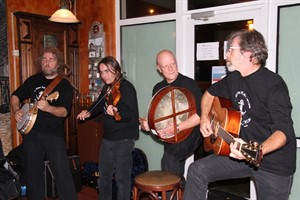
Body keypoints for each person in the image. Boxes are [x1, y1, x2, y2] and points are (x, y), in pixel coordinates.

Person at [183, 29, 296, 200]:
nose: (226, 54)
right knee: (197, 170)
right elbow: (209, 94)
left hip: (274, 164)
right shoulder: (234, 79)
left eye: (230, 49)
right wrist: (205, 118)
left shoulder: (273, 85)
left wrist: (257, 151)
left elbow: (284, 131)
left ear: (248, 53)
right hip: (241, 152)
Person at [10, 47, 78, 200]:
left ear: (57, 64)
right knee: (33, 175)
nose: (47, 63)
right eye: (44, 59)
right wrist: (16, 110)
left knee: (62, 174)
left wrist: (49, 108)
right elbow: (15, 95)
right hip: (31, 134)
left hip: (53, 135)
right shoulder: (33, 80)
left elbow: (64, 112)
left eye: (51, 59)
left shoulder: (64, 86)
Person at [77, 56, 139, 200]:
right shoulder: (107, 88)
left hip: (123, 139)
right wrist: (88, 112)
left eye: (106, 71)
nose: (104, 75)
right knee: (103, 178)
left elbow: (130, 113)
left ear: (116, 69)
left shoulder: (127, 87)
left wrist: (117, 112)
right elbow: (99, 104)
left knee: (122, 180)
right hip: (108, 138)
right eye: (101, 72)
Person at [139, 49, 203, 186]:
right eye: (166, 66)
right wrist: (148, 125)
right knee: (175, 173)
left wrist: (177, 127)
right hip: (170, 137)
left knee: (168, 159)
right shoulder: (158, 88)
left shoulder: (189, 84)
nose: (171, 68)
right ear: (159, 69)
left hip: (191, 133)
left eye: (173, 63)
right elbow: (157, 118)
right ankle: (184, 194)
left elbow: (200, 116)